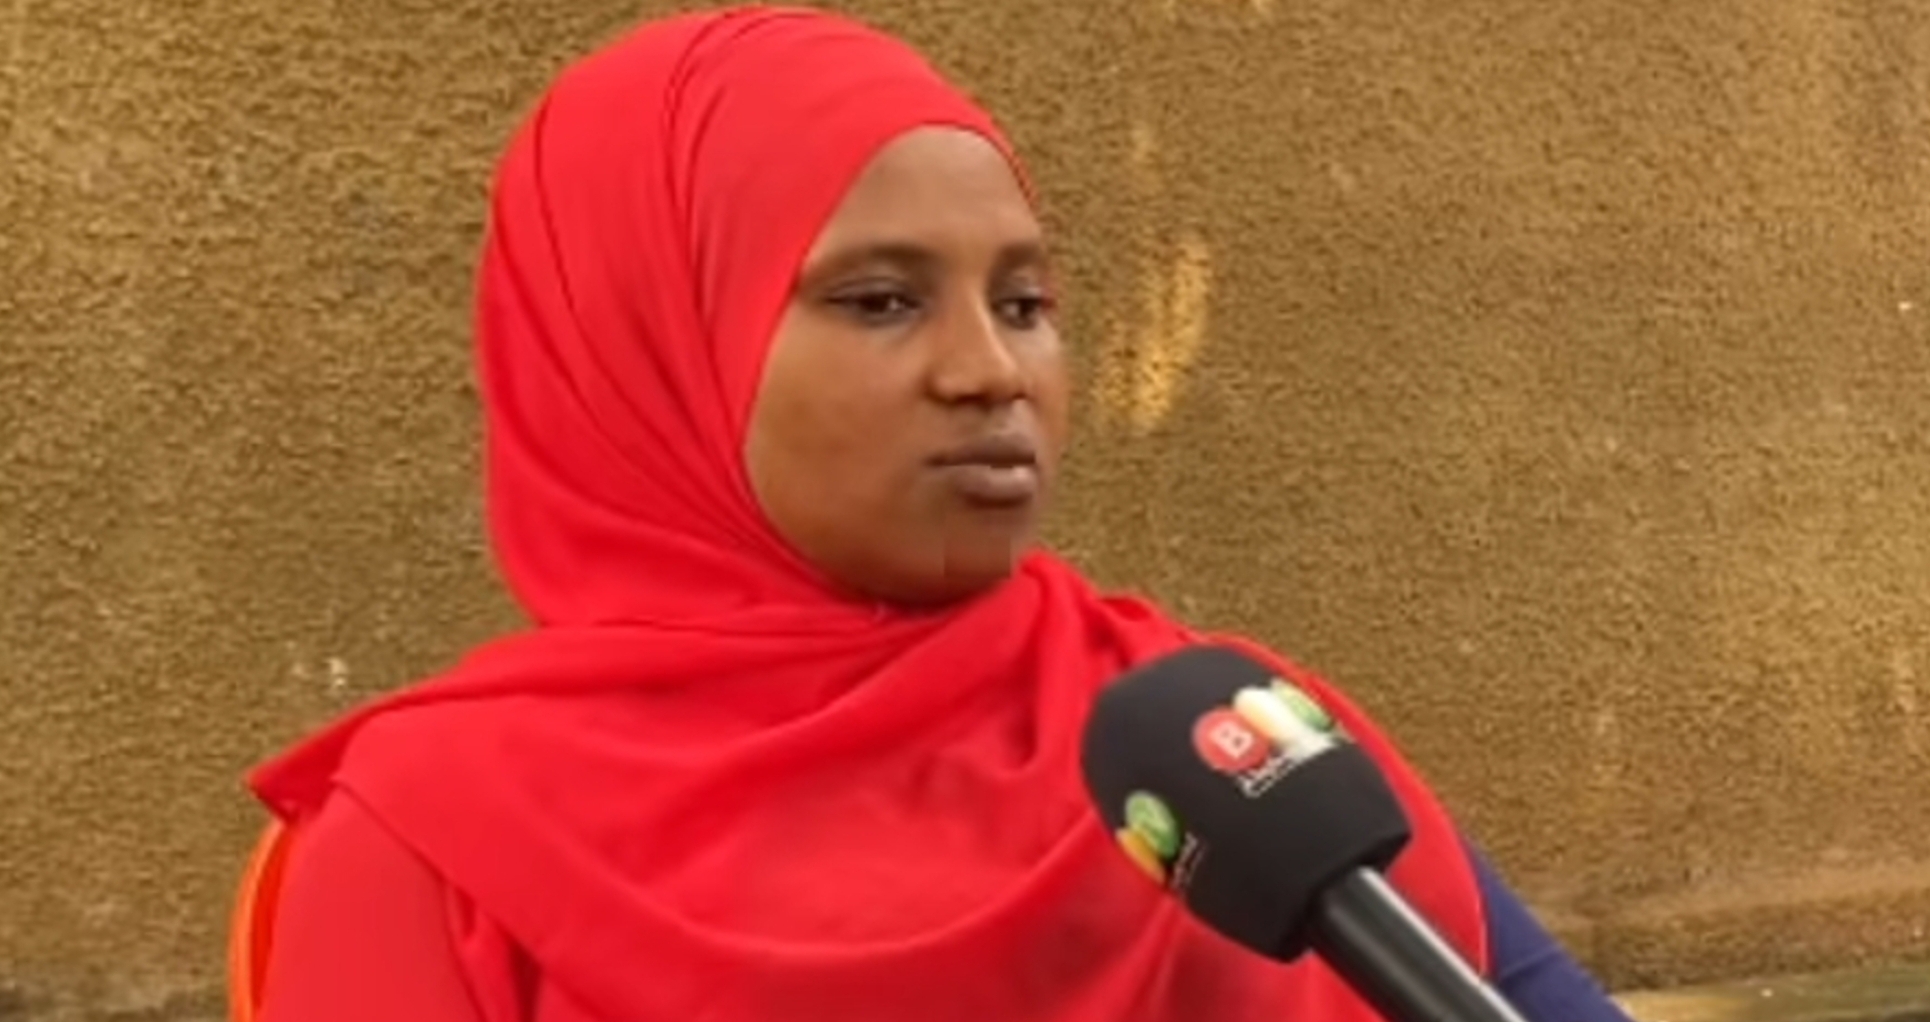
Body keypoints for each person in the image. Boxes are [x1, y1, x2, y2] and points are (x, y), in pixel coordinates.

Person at [246, 7, 1633, 1022]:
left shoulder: (1222, 744)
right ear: (642, 352)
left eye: (1024, 303)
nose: (990, 371)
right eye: (879, 300)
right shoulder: (434, 849)